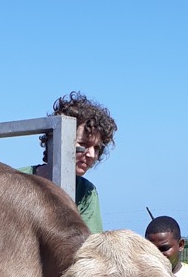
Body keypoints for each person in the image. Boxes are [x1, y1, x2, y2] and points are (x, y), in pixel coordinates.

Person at [21, 91, 117, 233]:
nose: (91, 154)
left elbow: (89, 247)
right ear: (57, 141)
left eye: (96, 148)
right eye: (82, 144)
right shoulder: (18, 179)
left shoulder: (86, 193)